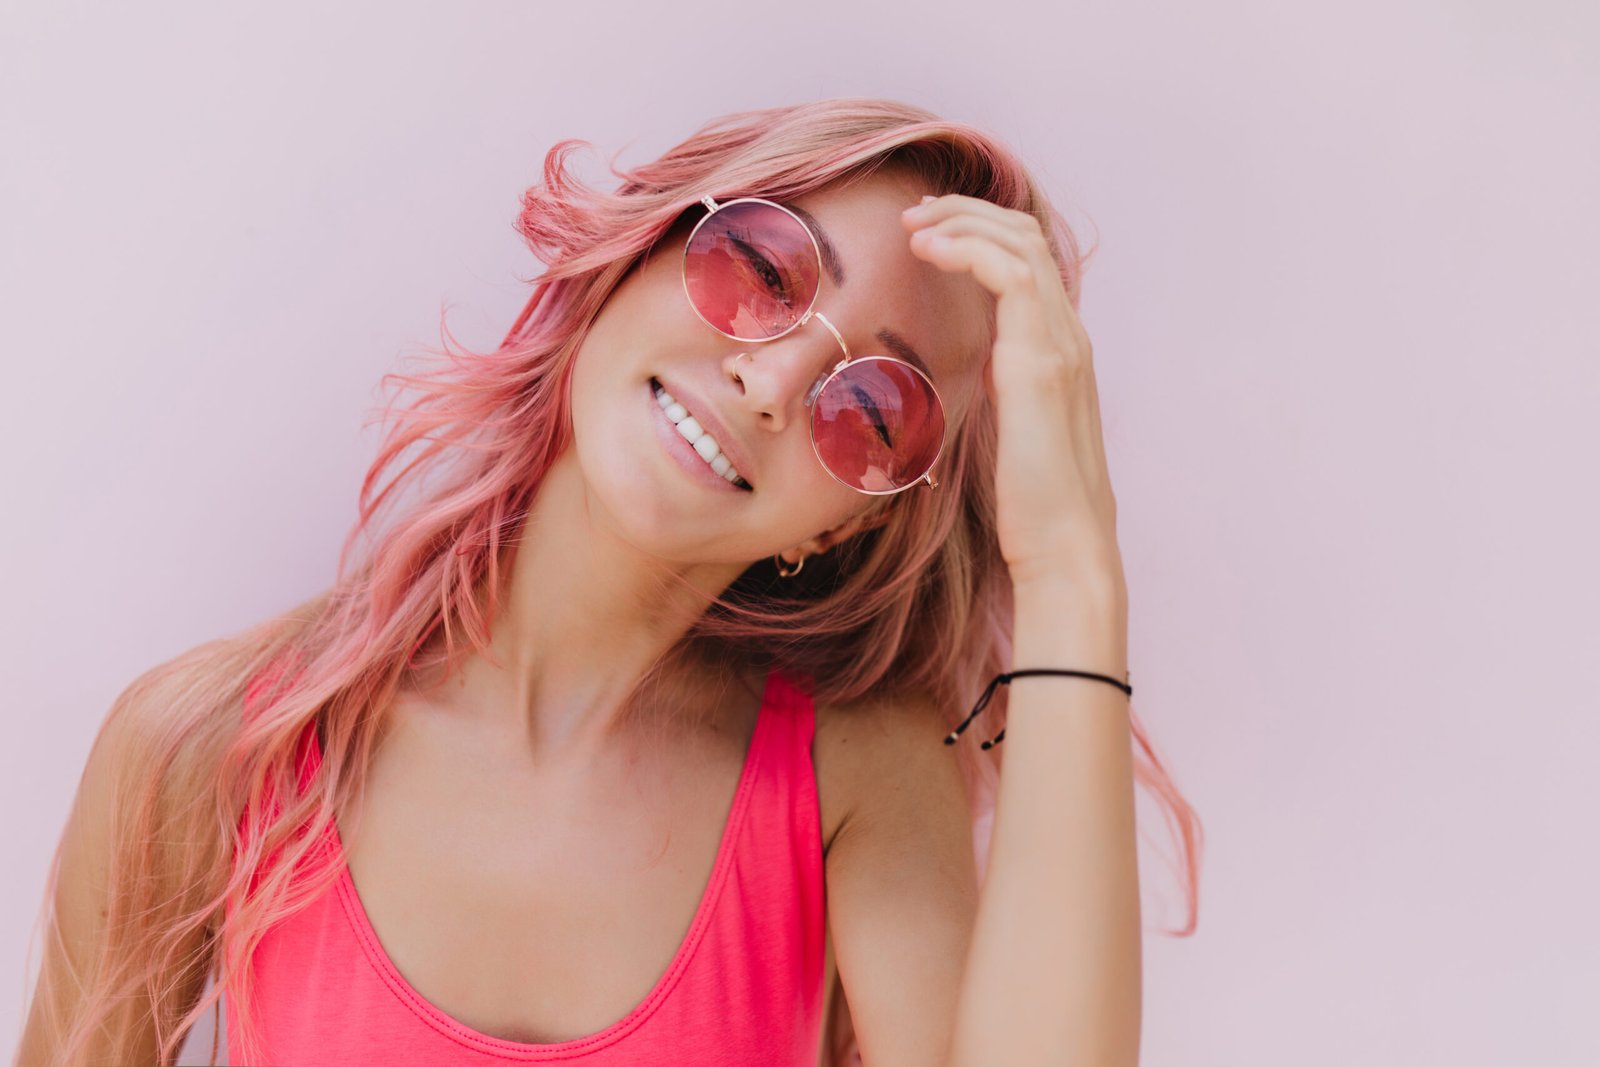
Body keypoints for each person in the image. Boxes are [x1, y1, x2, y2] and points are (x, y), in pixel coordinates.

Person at [16, 97, 1201, 1067]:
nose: (774, 381)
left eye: (872, 406)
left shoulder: (855, 779)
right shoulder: (210, 746)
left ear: (844, 527)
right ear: (634, 253)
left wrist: (1067, 568)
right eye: (760, 266)